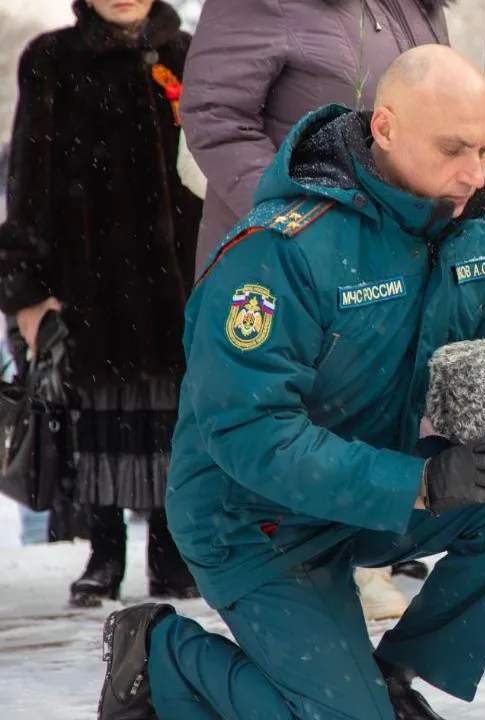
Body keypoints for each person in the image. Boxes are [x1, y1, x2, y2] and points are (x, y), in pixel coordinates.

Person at [94, 46, 485, 720]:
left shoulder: (475, 229)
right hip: (254, 519)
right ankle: (161, 654)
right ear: (385, 127)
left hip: (368, 493)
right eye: (453, 149)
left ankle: (390, 680)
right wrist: (423, 483)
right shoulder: (281, 250)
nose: (475, 173)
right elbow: (248, 431)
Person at [180, 0, 453, 618]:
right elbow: (215, 117)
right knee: (284, 416)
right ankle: (281, 577)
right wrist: (300, 218)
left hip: (386, 250)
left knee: (373, 401)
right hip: (284, 261)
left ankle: (361, 566)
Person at [0, 0, 201, 606]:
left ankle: (173, 553)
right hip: (90, 285)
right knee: (96, 422)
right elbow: (27, 181)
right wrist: (26, 291)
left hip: (182, 282)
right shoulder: (52, 58)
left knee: (178, 421)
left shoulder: (188, 54)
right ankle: (103, 552)